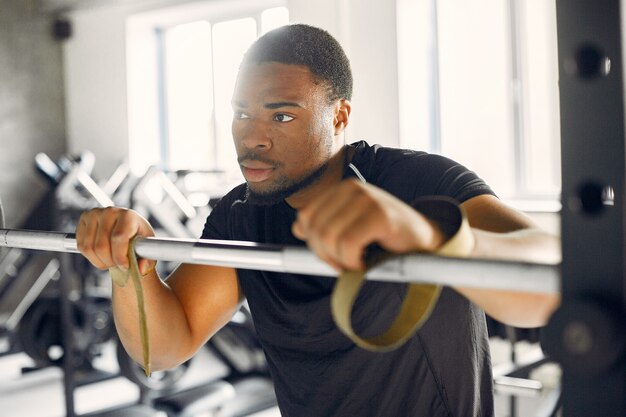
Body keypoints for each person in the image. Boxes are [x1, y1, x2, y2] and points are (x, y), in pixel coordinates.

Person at [76, 24, 560, 417]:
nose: (253, 137)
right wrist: (129, 266)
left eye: (281, 117)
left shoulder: (418, 181)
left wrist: (433, 237)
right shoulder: (240, 215)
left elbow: (551, 278)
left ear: (340, 115)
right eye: (241, 113)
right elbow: (162, 348)